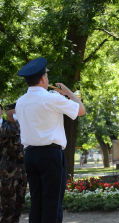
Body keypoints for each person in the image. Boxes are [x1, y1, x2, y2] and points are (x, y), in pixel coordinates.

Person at [15, 57, 86, 223]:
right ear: (42, 78)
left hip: (30, 154)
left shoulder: (20, 102)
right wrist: (68, 93)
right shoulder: (52, 98)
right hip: (50, 154)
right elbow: (80, 110)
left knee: (37, 202)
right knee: (52, 203)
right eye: (46, 75)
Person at [0, 103, 27, 223]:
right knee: (8, 202)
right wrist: (18, 119)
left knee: (20, 201)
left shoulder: (22, 125)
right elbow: (11, 131)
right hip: (8, 170)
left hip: (22, 168)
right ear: (13, 113)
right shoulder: (5, 126)